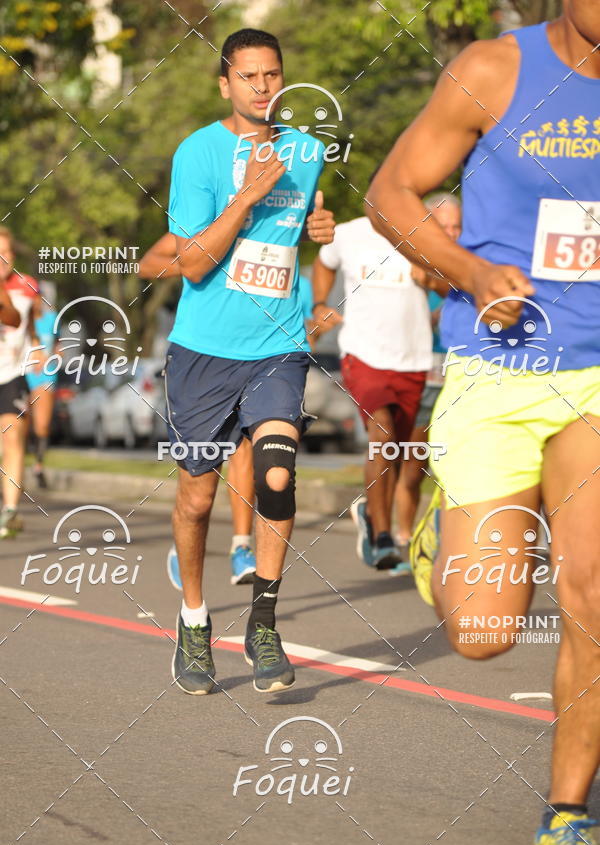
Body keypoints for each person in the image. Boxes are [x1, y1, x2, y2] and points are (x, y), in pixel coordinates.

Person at [368, 4, 600, 845]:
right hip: (499, 370)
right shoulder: (495, 70)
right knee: (485, 631)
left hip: (595, 374)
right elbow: (391, 193)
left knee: (590, 593)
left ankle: (568, 815)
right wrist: (466, 271)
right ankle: (445, 527)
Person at [165, 28, 335, 695]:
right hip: (204, 349)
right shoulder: (199, 154)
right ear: (225, 83)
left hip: (278, 345)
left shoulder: (308, 151)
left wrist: (321, 234)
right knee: (198, 494)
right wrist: (245, 196)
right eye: (249, 76)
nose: (262, 87)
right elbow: (193, 262)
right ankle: (195, 620)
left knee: (274, 472)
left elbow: (300, 234)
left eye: (273, 75)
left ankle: (263, 620)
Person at [312, 175, 438, 571]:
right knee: (381, 433)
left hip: (414, 357)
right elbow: (323, 263)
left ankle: (370, 513)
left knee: (396, 453)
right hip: (363, 353)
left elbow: (452, 284)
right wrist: (319, 304)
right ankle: (383, 537)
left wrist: (431, 276)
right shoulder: (348, 234)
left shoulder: (422, 235)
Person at [139, 234, 258, 586]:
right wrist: (200, 265)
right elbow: (146, 265)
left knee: (244, 447)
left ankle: (241, 547)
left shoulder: (272, 217)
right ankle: (185, 541)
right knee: (199, 476)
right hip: (200, 355)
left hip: (255, 351)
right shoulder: (204, 220)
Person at [395, 193, 461, 549]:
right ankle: (403, 536)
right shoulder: (412, 262)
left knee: (456, 463)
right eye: (443, 225)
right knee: (413, 464)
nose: (451, 232)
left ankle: (449, 537)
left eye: (456, 226)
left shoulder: (472, 264)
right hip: (423, 374)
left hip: (462, 376)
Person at [0, 227, 40, 538]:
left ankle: (10, 510)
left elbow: (21, 321)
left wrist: (39, 346)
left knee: (14, 438)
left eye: (6, 253)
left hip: (12, 373)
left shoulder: (26, 285)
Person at [26, 302, 59, 490]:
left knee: (42, 425)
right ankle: (15, 468)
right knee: (21, 425)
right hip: (21, 375)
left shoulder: (52, 320)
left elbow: (58, 345)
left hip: (45, 377)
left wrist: (55, 356)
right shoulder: (20, 318)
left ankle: (38, 466)